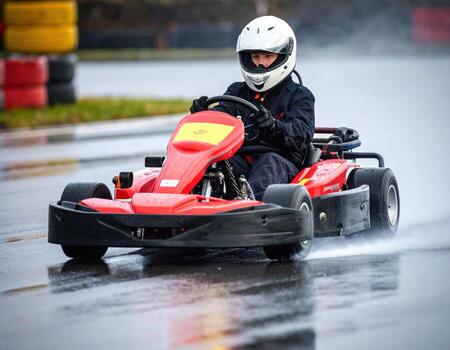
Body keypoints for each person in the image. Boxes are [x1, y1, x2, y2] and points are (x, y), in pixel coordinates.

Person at [190, 16, 315, 200]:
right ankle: (188, 205)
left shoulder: (300, 95)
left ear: (283, 56)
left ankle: (252, 212)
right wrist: (205, 116)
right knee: (210, 163)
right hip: (240, 159)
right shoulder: (236, 91)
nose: (260, 63)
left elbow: (300, 134)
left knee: (268, 164)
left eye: (267, 56)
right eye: (255, 56)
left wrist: (273, 127)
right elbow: (222, 115)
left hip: (281, 161)